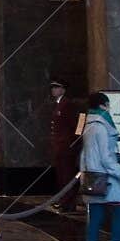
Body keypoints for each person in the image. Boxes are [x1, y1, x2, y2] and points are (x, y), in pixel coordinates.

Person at [80, 91, 120, 241]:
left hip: (92, 175)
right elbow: (106, 157)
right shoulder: (101, 127)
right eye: (108, 105)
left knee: (95, 213)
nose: (109, 108)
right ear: (103, 105)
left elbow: (84, 153)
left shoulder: (88, 124)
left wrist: (84, 173)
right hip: (106, 176)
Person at [48, 77, 82, 212]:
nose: (53, 90)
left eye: (56, 87)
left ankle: (68, 202)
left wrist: (74, 142)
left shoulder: (68, 105)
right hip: (60, 147)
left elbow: (78, 123)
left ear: (63, 89)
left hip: (67, 147)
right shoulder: (59, 104)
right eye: (52, 88)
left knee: (67, 175)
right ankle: (64, 200)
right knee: (62, 175)